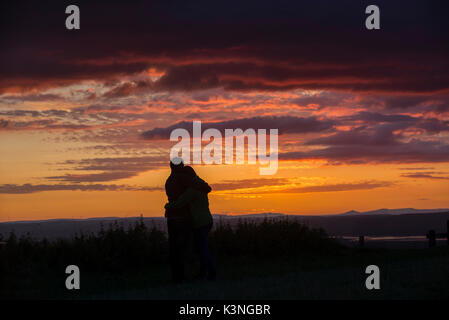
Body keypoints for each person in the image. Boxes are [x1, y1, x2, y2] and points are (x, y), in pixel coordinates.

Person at [165, 165, 217, 281]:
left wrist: (167, 206)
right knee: (201, 248)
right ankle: (205, 273)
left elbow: (180, 202)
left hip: (200, 222)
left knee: (202, 249)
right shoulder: (201, 185)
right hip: (207, 219)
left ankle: (210, 273)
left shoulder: (192, 190)